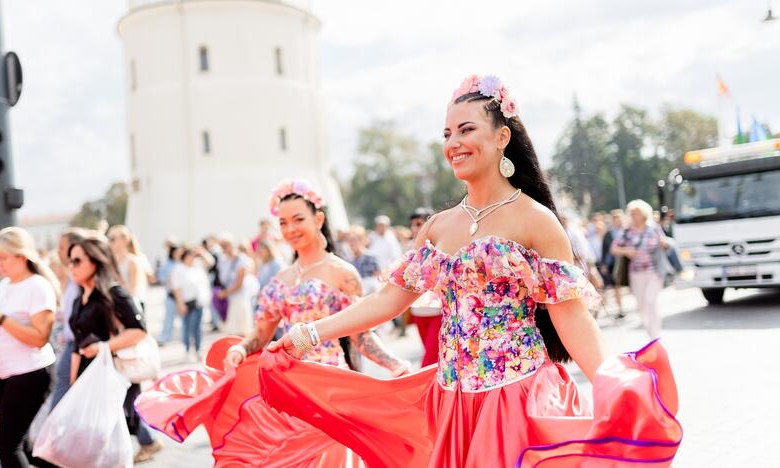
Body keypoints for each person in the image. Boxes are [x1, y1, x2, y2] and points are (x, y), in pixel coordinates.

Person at [261, 74, 682, 467]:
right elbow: (388, 299)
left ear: (502, 137)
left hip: (517, 399)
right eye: (447, 133)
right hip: (453, 403)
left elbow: (571, 319)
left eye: (466, 130)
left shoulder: (535, 220)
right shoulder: (439, 226)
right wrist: (308, 334)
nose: (453, 143)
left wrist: (612, 383)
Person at [136, 179, 410, 466]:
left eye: (298, 219)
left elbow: (361, 334)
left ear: (319, 219)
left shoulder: (341, 272)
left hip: (331, 387)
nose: (290, 229)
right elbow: (262, 334)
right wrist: (241, 349)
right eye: (283, 222)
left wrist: (394, 364)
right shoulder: (280, 281)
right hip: (291, 389)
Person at [0, 227, 59, 468]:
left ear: (22, 257)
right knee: (24, 447)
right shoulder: (6, 284)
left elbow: (39, 338)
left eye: (3, 258)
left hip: (30, 373)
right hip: (9, 373)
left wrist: (0, 318)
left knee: (7, 446)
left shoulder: (37, 286)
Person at [67, 236, 162, 463]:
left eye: (77, 261)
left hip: (111, 375)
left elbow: (139, 330)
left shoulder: (113, 293)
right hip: (86, 377)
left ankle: (148, 443)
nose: (71, 266)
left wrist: (103, 347)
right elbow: (76, 343)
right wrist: (73, 385)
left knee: (109, 445)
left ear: (96, 261)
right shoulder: (79, 299)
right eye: (70, 261)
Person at [611, 200, 669, 339]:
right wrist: (626, 251)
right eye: (632, 213)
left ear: (644, 214)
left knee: (650, 301)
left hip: (654, 271)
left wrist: (664, 244)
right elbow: (614, 249)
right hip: (636, 273)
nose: (634, 216)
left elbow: (665, 243)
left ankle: (655, 336)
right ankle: (650, 332)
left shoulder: (653, 228)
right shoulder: (626, 230)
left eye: (637, 213)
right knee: (642, 305)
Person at [49, 228, 88, 409]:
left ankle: (51, 433)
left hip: (82, 345)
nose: (58, 251)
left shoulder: (82, 279)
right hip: (74, 344)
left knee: (63, 390)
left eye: (62, 247)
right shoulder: (73, 278)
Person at [406, 207, 441, 368]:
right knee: (431, 356)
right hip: (418, 310)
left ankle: (427, 392)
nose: (415, 228)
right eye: (413, 224)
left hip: (438, 311)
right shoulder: (408, 250)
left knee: (430, 361)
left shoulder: (441, 246)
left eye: (419, 223)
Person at [170, 246, 214, 361]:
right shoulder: (179, 269)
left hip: (198, 301)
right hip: (186, 302)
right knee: (187, 327)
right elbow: (176, 288)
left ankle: (198, 349)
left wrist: (201, 251)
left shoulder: (197, 267)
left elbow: (211, 262)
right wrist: (180, 304)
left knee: (197, 327)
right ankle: (188, 349)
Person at [215, 235, 254, 336]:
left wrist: (225, 293)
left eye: (225, 245)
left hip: (239, 299)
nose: (224, 248)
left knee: (241, 332)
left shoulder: (242, 260)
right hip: (229, 300)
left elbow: (239, 283)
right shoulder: (224, 260)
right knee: (230, 332)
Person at [107, 225, 149, 315]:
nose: (109, 242)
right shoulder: (109, 260)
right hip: (114, 305)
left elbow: (133, 291)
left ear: (125, 240)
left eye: (113, 239)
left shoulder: (132, 261)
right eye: (109, 238)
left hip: (128, 307)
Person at [600, 209, 626, 317]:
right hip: (613, 264)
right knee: (616, 286)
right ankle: (620, 309)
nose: (617, 220)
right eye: (615, 218)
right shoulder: (608, 234)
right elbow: (604, 250)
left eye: (619, 218)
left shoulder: (627, 231)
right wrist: (604, 264)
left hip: (626, 262)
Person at [156, 243, 183, 345]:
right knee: (169, 318)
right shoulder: (167, 265)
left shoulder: (183, 263)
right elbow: (161, 278)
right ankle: (164, 338)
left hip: (183, 296)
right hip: (171, 295)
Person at [346, 226, 380, 295]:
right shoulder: (348, 261)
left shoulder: (371, 257)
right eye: (349, 240)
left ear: (361, 240)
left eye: (353, 240)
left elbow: (378, 279)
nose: (351, 243)